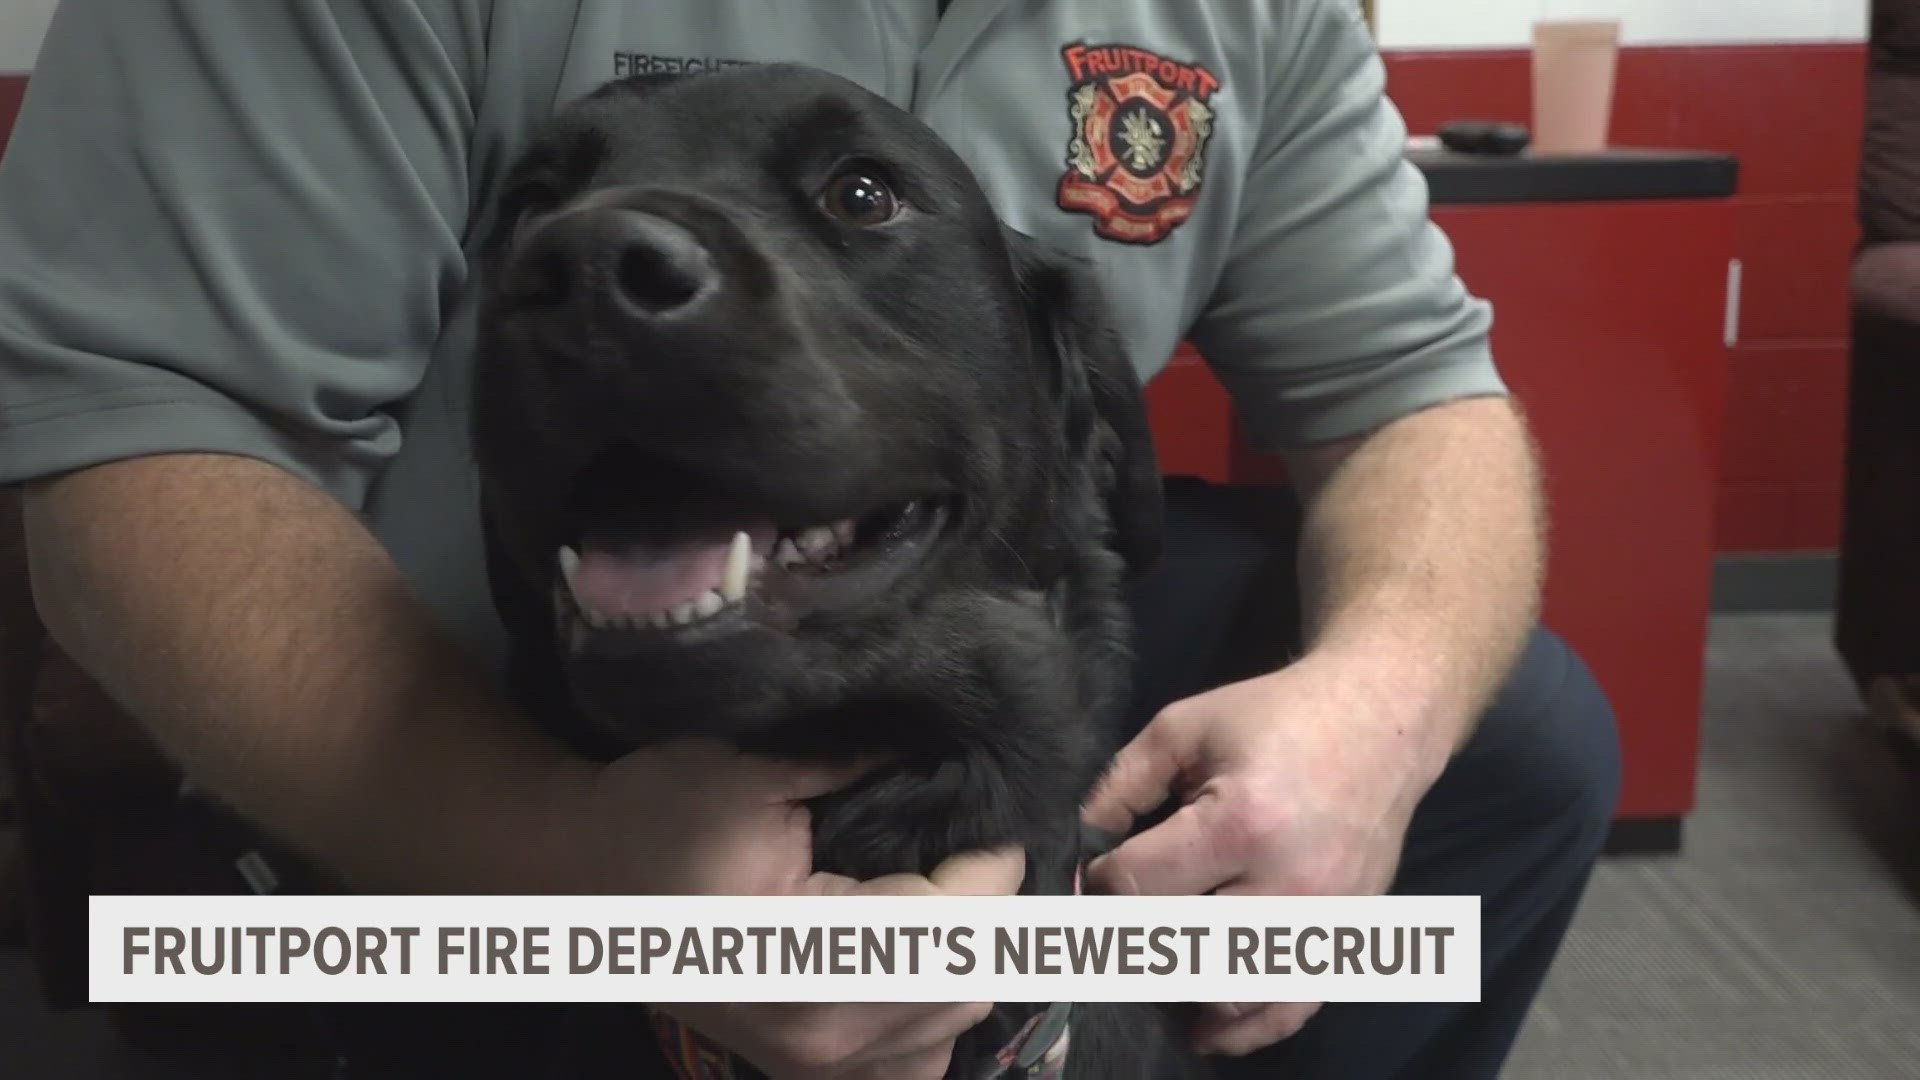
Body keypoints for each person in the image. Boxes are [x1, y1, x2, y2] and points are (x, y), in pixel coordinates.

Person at [0, 1, 1620, 1078]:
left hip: (947, 618)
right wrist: (564, 871)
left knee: (1512, 741)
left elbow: (1415, 398)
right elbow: (132, 423)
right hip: (469, 727)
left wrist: (1374, 719)